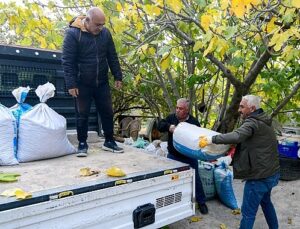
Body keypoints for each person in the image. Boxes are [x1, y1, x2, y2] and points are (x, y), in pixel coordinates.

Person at [200, 95, 280, 229]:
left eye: (242, 107)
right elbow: (253, 143)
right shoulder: (264, 120)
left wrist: (211, 139)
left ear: (252, 108)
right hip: (271, 173)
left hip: (259, 177)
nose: (239, 110)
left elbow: (237, 135)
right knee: (266, 203)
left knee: (248, 213)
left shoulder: (252, 122)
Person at [62, 7, 124, 157]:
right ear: (87, 21)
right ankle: (82, 144)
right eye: (97, 25)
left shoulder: (105, 33)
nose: (100, 28)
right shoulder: (73, 34)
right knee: (82, 114)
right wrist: (71, 84)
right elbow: (67, 61)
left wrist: (118, 76)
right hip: (82, 83)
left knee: (107, 112)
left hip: (102, 82)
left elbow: (112, 56)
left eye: (102, 24)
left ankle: (109, 141)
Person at [158, 98, 208, 214]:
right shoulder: (171, 118)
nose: (177, 110)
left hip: (189, 157)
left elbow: (200, 138)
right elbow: (160, 125)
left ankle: (201, 202)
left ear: (187, 110)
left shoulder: (194, 122)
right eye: (177, 107)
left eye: (180, 108)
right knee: (170, 180)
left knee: (196, 180)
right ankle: (169, 204)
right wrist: (169, 127)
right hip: (173, 156)